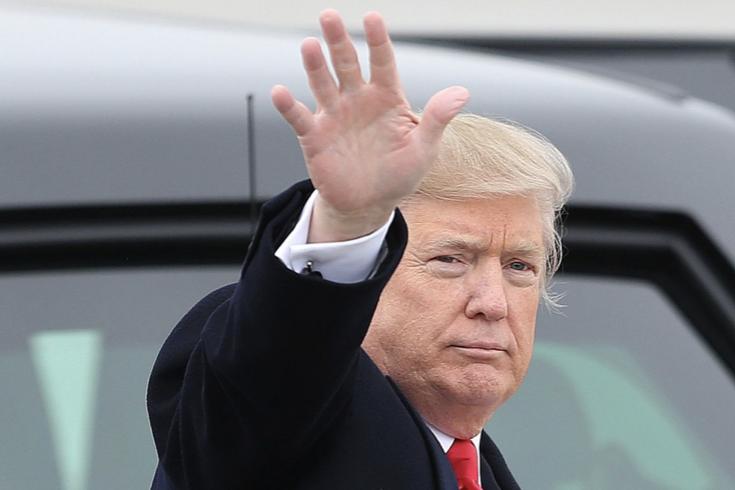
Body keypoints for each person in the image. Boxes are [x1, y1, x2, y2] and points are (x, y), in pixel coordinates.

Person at [147, 9, 572, 490]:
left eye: (519, 266)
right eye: (451, 260)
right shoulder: (286, 429)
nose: (493, 303)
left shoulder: (483, 473)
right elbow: (275, 368)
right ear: (371, 273)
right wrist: (348, 223)